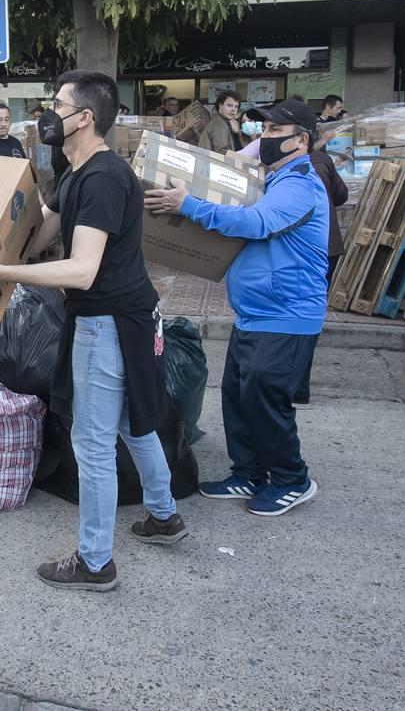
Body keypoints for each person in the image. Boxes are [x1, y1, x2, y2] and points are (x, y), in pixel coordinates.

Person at [0, 69, 187, 591]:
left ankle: (95, 561)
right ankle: (165, 516)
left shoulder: (103, 177)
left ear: (84, 117)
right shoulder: (75, 173)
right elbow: (39, 235)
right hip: (123, 316)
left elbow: (80, 269)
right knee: (133, 422)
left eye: (57, 104)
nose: (47, 113)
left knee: (92, 442)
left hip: (108, 321)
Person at [145, 98, 327, 516]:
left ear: (301, 140)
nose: (264, 138)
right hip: (255, 313)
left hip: (287, 315)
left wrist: (186, 205)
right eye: (261, 131)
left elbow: (256, 223)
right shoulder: (275, 177)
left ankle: (291, 479)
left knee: (266, 400)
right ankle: (248, 472)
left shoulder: (301, 183)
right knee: (238, 396)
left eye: (275, 132)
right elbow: (235, 160)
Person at [292, 130, 351, 407]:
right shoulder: (322, 160)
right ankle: (299, 385)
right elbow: (341, 194)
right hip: (328, 248)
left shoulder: (290, 167)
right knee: (309, 314)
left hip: (304, 250)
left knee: (295, 316)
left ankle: (295, 385)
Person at [201, 90, 243, 155]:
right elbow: (221, 152)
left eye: (236, 106)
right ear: (220, 105)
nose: (233, 109)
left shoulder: (220, 121)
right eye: (229, 105)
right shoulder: (219, 125)